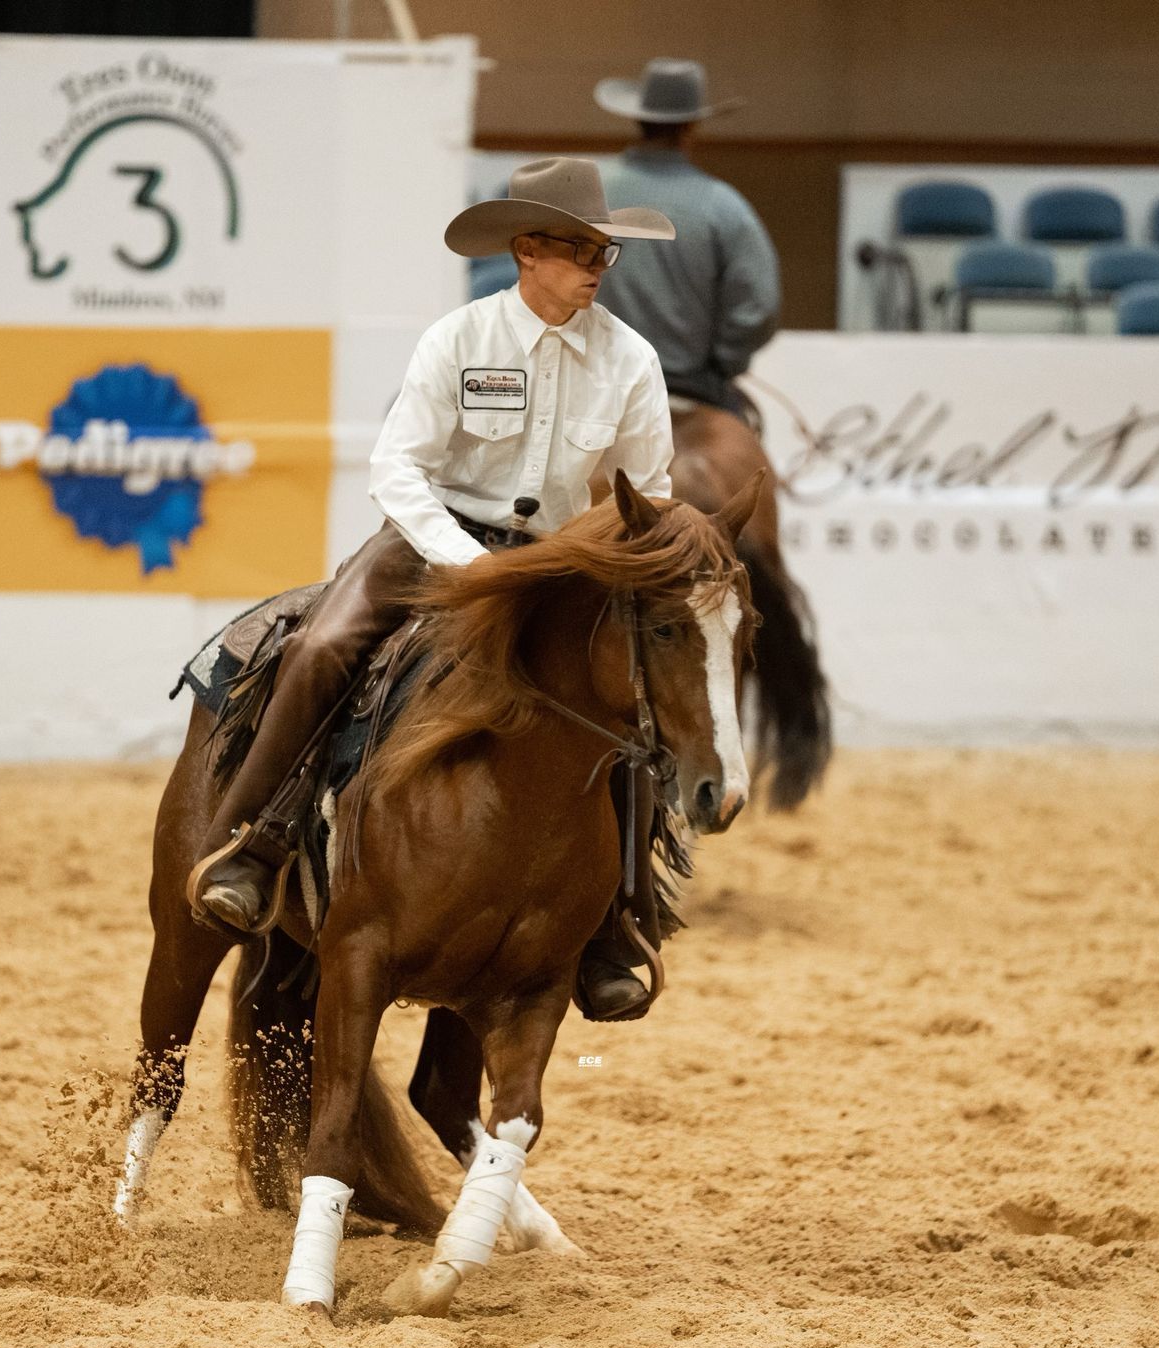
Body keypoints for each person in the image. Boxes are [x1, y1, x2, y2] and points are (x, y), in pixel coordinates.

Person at [189, 157, 680, 1023]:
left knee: (634, 707)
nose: (598, 265)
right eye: (579, 248)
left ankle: (613, 919)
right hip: (429, 544)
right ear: (528, 249)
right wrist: (467, 562)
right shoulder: (459, 339)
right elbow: (398, 470)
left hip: (557, 566)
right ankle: (251, 845)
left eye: (607, 251)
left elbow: (651, 491)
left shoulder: (630, 360)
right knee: (321, 646)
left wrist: (613, 563)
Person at [591, 58, 778, 424]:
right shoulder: (725, 206)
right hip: (691, 382)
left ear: (638, 118)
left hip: (596, 378)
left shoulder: (589, 191)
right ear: (692, 126)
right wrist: (723, 362)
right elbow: (759, 306)